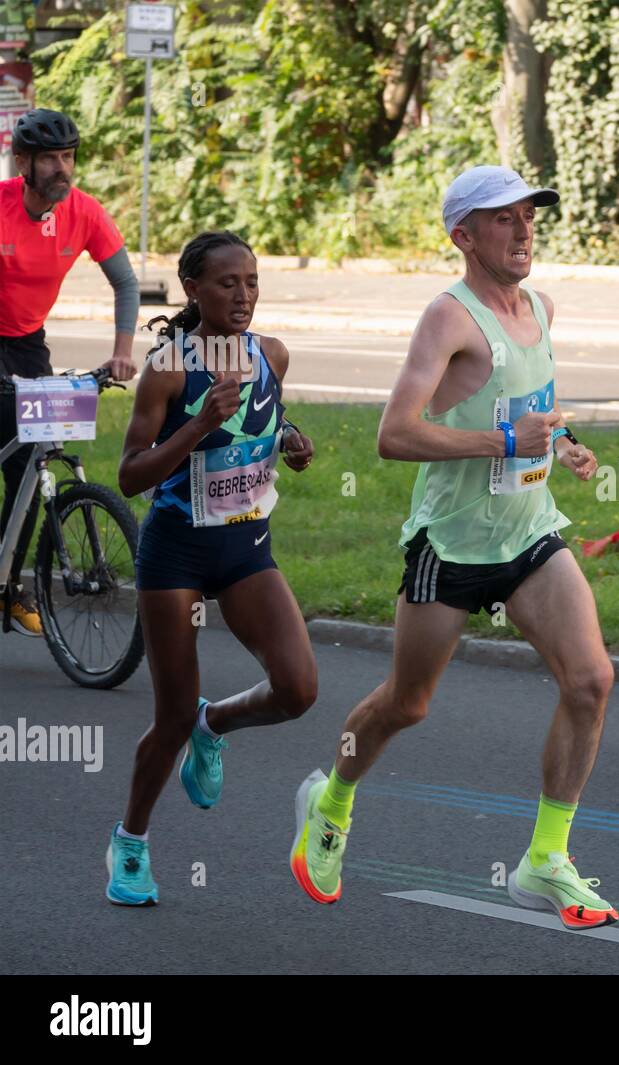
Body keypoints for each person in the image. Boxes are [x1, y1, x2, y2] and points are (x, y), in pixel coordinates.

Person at [289, 165, 619, 929]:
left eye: (530, 215)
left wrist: (561, 439)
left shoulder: (540, 305)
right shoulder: (449, 317)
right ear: (463, 235)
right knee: (407, 703)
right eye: (505, 219)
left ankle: (546, 858)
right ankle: (331, 802)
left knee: (592, 679)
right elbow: (394, 434)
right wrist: (504, 440)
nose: (525, 229)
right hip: (453, 545)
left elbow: (534, 403)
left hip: (530, 532)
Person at [105, 230, 317, 905]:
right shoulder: (169, 366)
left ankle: (214, 723)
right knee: (167, 717)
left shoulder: (272, 354)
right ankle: (130, 842)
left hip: (246, 544)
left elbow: (261, 417)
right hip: (177, 551)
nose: (244, 295)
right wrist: (194, 426)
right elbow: (131, 475)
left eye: (253, 282)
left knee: (299, 687)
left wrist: (288, 439)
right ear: (193, 289)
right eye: (229, 283)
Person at [0, 108, 139, 636]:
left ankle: (8, 589)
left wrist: (122, 350)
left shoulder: (84, 212)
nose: (62, 168)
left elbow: (126, 283)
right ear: (23, 163)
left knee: (30, 471)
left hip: (28, 343)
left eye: (68, 157)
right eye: (50, 159)